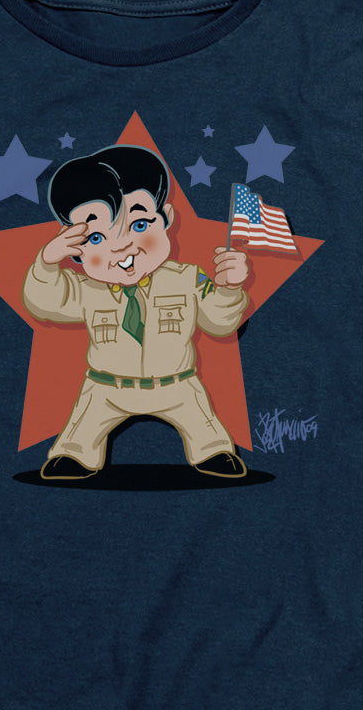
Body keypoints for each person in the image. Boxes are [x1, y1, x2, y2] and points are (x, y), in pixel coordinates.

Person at [21, 144, 250, 480]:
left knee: (209, 436)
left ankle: (213, 451)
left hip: (177, 384)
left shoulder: (187, 278)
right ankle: (75, 455)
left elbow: (220, 323)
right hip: (106, 388)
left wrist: (230, 288)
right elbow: (44, 302)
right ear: (75, 249)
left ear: (166, 218)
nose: (121, 246)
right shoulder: (85, 289)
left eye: (139, 225)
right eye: (96, 238)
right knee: (76, 441)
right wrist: (46, 262)